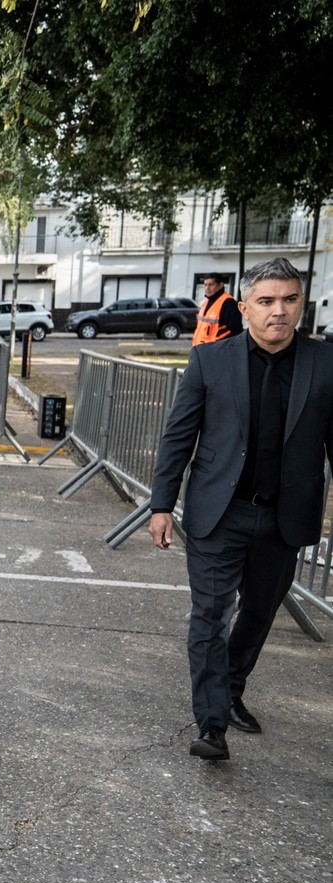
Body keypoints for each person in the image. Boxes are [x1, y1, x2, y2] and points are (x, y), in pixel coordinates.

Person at [149, 257, 333, 761]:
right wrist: (161, 504)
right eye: (267, 301)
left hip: (284, 517)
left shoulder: (325, 363)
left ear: (301, 304)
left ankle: (230, 689)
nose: (279, 311)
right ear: (245, 306)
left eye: (289, 300)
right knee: (209, 615)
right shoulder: (211, 360)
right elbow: (178, 436)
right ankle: (212, 725)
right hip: (219, 511)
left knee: (257, 615)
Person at [193, 273, 242, 345]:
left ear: (220, 285)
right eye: (205, 285)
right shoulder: (207, 302)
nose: (207, 288)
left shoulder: (228, 303)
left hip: (216, 350)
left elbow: (236, 331)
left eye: (211, 285)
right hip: (200, 348)